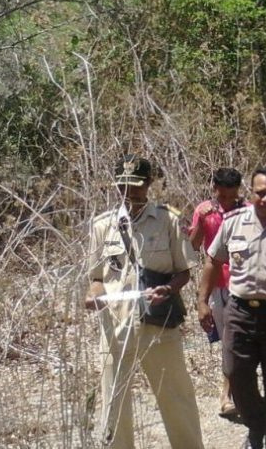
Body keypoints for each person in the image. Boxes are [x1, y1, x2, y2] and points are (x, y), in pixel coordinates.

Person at [85, 155, 205, 449]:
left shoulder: (169, 220)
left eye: (137, 186)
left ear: (149, 184)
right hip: (115, 325)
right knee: (113, 398)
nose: (130, 193)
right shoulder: (103, 225)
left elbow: (184, 271)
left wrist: (168, 289)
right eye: (123, 186)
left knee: (175, 395)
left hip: (158, 323)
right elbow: (96, 277)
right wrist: (94, 294)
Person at [201, 167, 266, 449]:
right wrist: (202, 301)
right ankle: (256, 427)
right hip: (239, 311)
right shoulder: (233, 222)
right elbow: (212, 260)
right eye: (260, 193)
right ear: (251, 192)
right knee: (235, 373)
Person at [189, 167, 246, 417]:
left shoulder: (247, 210)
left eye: (231, 196)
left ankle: (229, 393)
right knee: (226, 339)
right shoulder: (205, 211)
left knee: (235, 340)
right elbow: (192, 244)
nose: (226, 201)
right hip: (216, 284)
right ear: (214, 190)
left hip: (242, 283)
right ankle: (231, 392)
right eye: (222, 196)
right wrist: (201, 221)